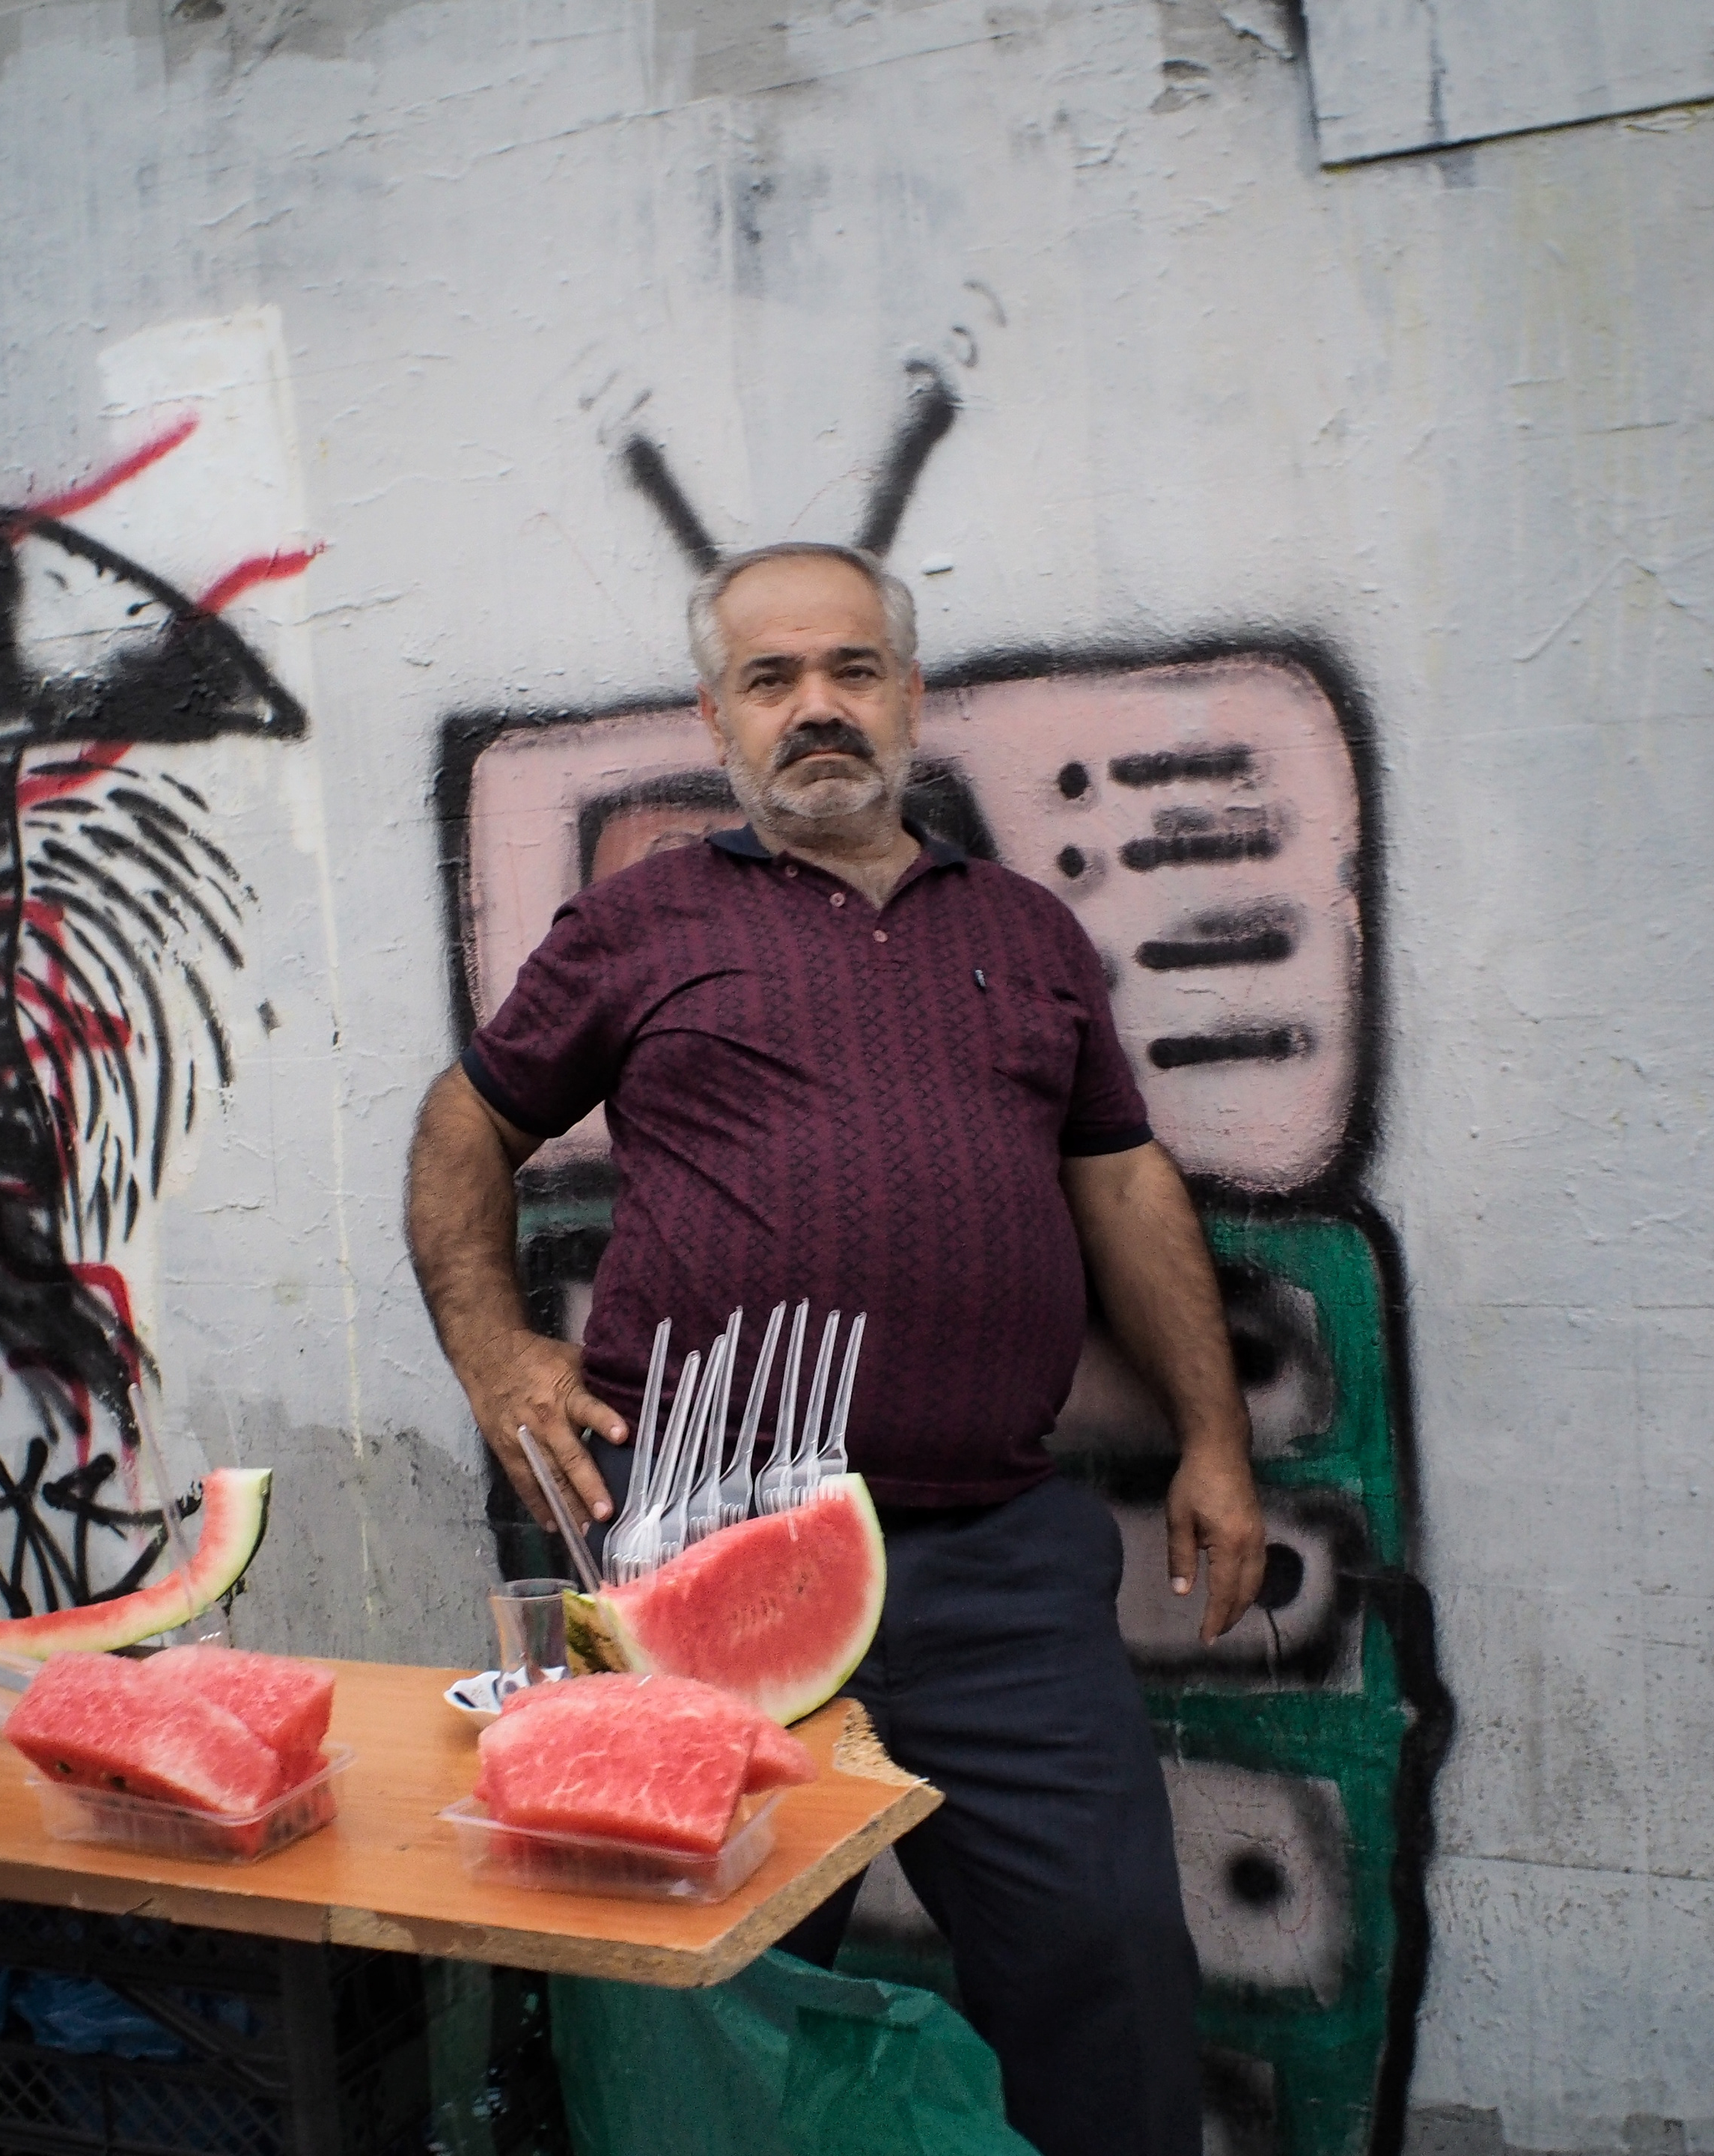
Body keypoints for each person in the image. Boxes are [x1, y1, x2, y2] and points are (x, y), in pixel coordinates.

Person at [403, 540, 1266, 2156]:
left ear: (912, 697)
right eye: (773, 678)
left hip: (1002, 1567)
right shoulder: (639, 921)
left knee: (1110, 1975)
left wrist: (1214, 1436)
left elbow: (1121, 1180)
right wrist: (497, 1354)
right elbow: (470, 1122)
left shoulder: (1027, 930)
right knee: (698, 2008)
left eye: (853, 670)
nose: (818, 708)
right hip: (702, 1558)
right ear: (717, 718)